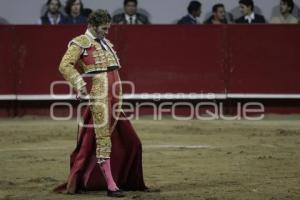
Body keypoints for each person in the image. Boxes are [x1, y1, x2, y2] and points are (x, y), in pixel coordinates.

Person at [54, 9, 147, 197]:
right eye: (104, 28)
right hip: (101, 97)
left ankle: (125, 179)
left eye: (108, 28)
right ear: (92, 26)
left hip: (116, 99)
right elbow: (65, 65)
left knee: (132, 142)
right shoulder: (80, 42)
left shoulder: (105, 42)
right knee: (103, 139)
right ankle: (111, 186)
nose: (107, 32)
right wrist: (80, 84)